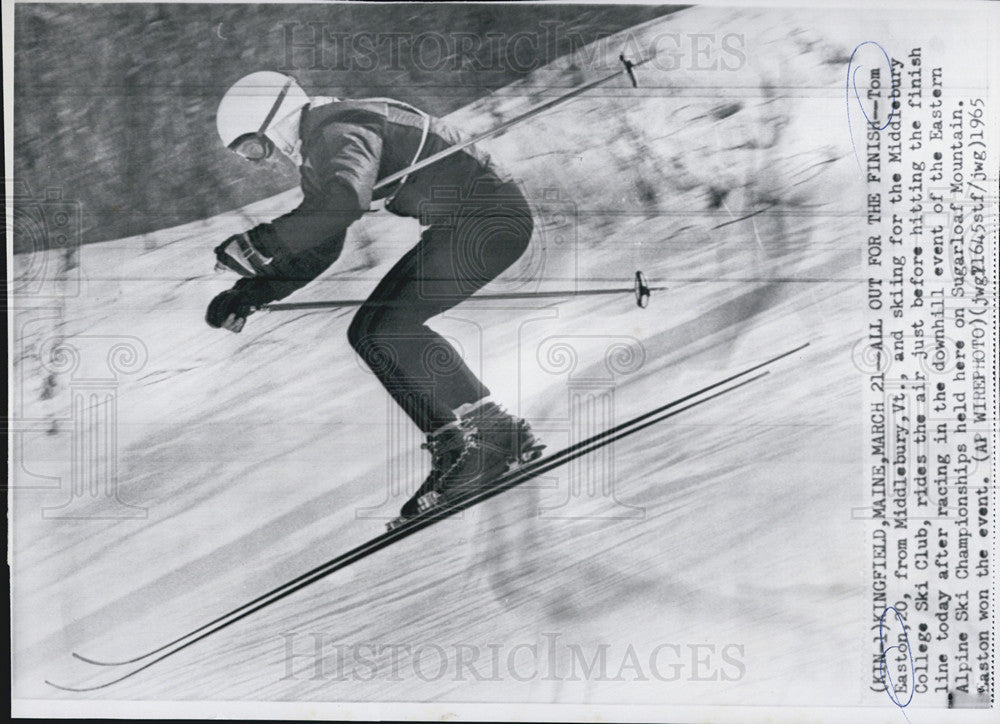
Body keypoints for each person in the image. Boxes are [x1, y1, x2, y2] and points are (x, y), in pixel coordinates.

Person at [207, 71, 544, 521]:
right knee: (369, 332)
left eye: (253, 147)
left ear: (274, 119)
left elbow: (343, 202)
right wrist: (250, 293)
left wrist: (259, 243)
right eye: (247, 156)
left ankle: (496, 434)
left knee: (390, 325)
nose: (259, 161)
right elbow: (322, 243)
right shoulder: (323, 139)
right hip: (467, 223)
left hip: (489, 218)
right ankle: (454, 446)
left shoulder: (339, 129)